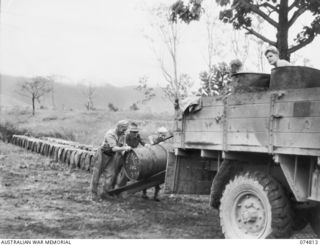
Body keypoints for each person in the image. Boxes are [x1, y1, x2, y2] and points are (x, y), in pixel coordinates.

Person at [90, 120, 132, 201]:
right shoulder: (110, 134)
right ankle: (93, 194)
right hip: (102, 154)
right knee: (96, 174)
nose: (125, 131)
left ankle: (104, 193)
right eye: (123, 129)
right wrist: (124, 148)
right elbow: (114, 148)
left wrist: (125, 149)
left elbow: (123, 145)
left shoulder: (122, 135)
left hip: (111, 156)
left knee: (110, 175)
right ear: (118, 127)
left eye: (126, 129)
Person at [115, 122, 147, 188]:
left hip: (132, 154)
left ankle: (121, 186)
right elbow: (122, 146)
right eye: (134, 132)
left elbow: (143, 142)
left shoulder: (138, 136)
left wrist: (147, 145)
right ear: (130, 132)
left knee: (127, 171)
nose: (135, 134)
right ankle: (114, 184)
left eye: (136, 132)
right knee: (117, 170)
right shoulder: (126, 136)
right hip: (122, 154)